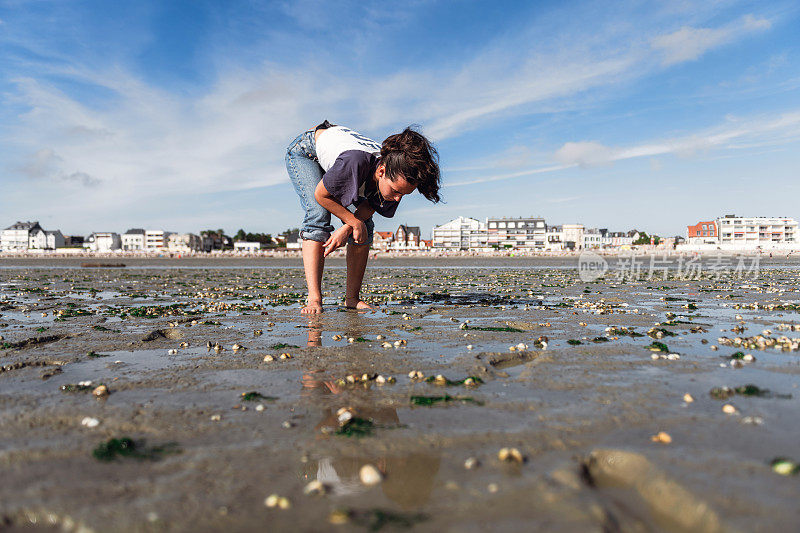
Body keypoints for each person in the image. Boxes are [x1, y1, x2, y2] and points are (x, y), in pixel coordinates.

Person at [285, 121, 440, 314]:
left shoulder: (396, 173)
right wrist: (352, 221)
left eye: (404, 195)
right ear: (381, 171)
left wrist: (349, 226)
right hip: (307, 152)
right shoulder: (355, 162)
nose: (398, 198)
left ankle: (352, 299)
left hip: (341, 162)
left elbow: (369, 207)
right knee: (318, 215)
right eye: (396, 191)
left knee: (364, 225)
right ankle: (314, 299)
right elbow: (321, 195)